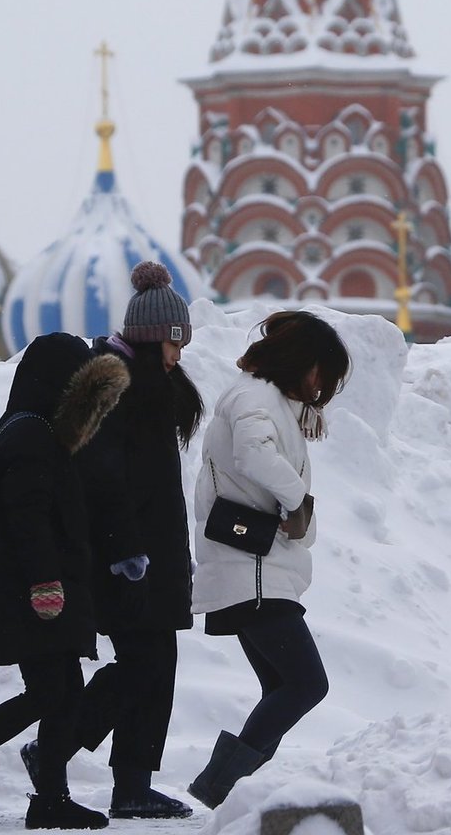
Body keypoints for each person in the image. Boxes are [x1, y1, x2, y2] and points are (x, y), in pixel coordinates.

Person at [0, 333, 129, 831]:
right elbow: (26, 517)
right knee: (53, 694)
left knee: (60, 694)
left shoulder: (25, 430)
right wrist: (44, 584)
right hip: (33, 592)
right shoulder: (32, 437)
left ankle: (39, 794)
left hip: (32, 588)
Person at [22, 260, 203, 821]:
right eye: (176, 343)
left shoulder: (147, 386)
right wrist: (129, 552)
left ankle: (129, 781)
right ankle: (67, 749)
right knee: (145, 665)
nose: (180, 355)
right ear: (155, 339)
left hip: (149, 554)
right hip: (127, 557)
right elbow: (107, 481)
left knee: (153, 665)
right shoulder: (119, 390)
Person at [188, 310, 350, 811]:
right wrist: (298, 500)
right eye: (324, 371)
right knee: (306, 683)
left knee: (284, 685)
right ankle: (221, 787)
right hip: (253, 570)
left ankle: (236, 791)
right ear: (305, 363)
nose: (323, 385)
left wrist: (298, 510)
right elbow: (253, 453)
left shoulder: (261, 397)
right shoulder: (254, 396)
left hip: (256, 568)